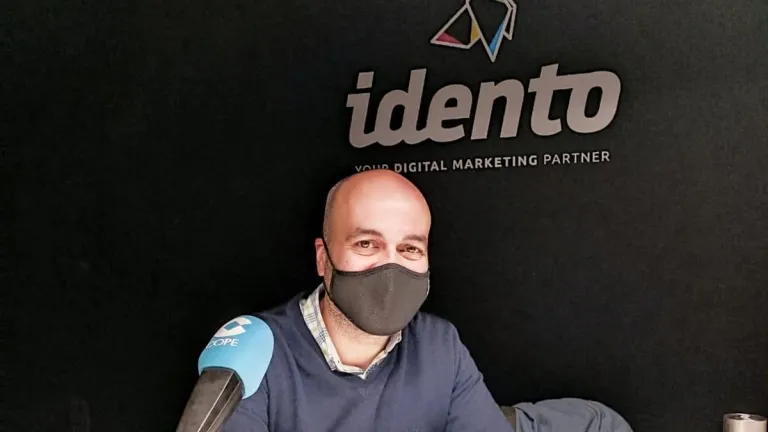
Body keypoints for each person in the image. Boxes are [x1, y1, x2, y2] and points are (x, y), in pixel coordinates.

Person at [222, 169, 513, 432]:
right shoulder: (254, 351)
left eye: (410, 248)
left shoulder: (440, 346)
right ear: (323, 258)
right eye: (366, 244)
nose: (390, 267)